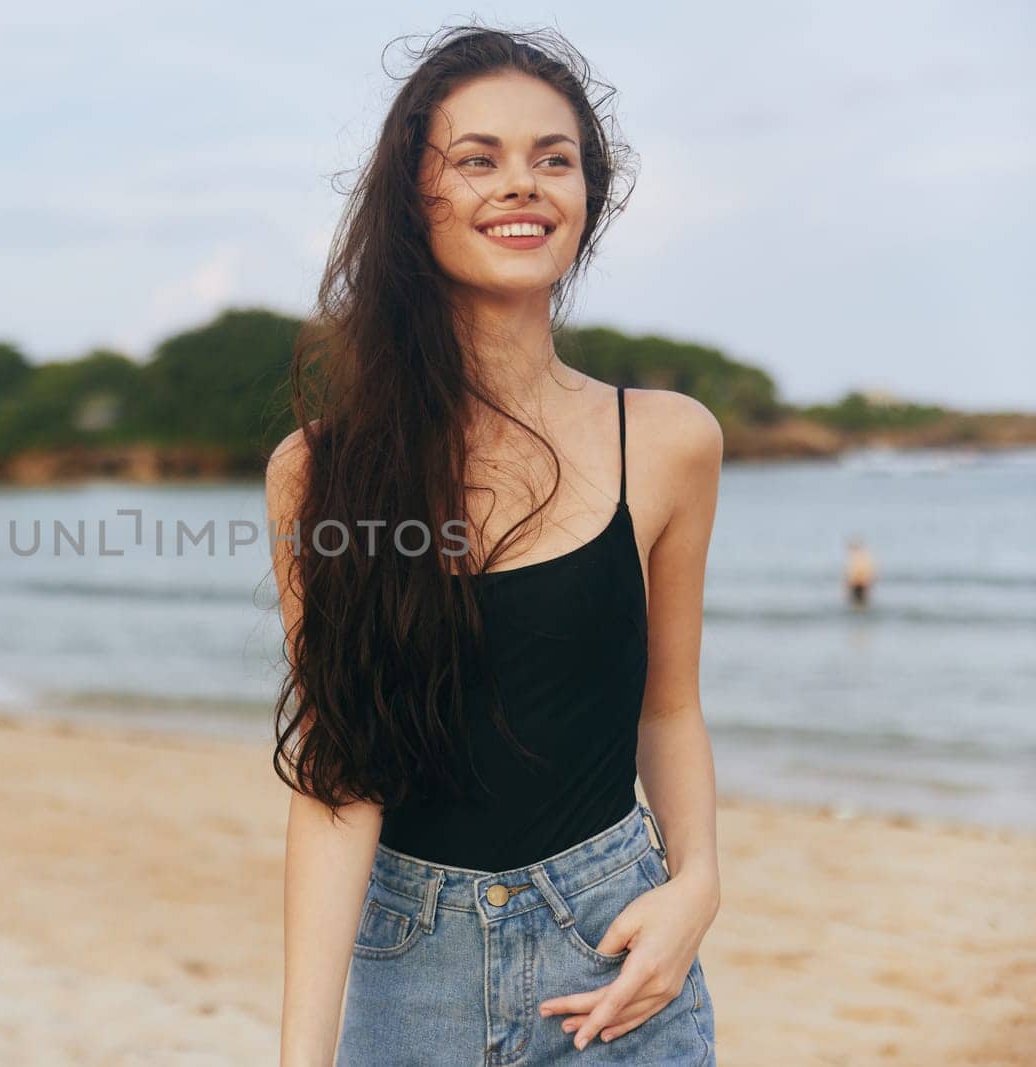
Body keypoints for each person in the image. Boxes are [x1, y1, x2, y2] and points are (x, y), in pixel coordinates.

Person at [266, 26, 720, 1065]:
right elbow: (338, 777)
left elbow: (670, 705)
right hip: (408, 963)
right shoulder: (321, 469)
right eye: (477, 159)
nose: (521, 186)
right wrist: (301, 1053)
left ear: (586, 195)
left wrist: (695, 882)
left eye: (551, 159)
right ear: (411, 197)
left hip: (613, 959)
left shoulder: (667, 441)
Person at [844, 536, 876, 608]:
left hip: (859, 585)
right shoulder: (859, 557)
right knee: (859, 603)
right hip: (859, 585)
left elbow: (868, 573)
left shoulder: (860, 557)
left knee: (859, 603)